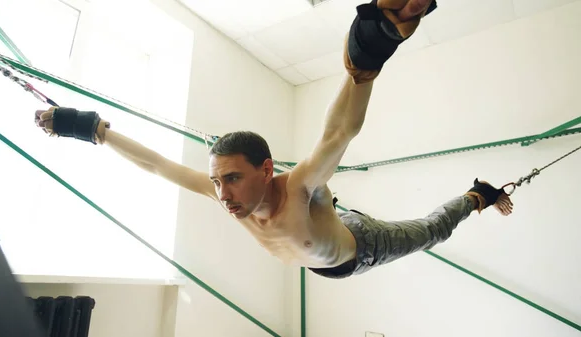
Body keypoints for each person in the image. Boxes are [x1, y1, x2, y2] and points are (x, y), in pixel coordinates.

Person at [34, 0, 513, 279]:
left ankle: (476, 195)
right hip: (330, 226)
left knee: (430, 231)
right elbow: (159, 165)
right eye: (218, 181)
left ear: (266, 170)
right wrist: (92, 129)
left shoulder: (295, 185)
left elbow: (340, 132)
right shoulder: (225, 194)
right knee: (325, 197)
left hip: (363, 244)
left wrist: (369, 57)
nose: (223, 194)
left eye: (233, 179)